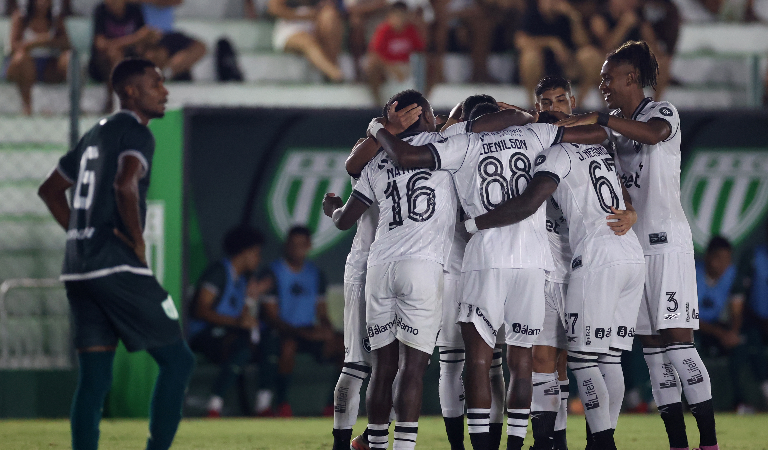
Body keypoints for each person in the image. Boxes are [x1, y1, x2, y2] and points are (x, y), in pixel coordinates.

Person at [368, 94, 606, 450]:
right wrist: (544, 119)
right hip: (533, 261)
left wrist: (379, 128)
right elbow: (599, 133)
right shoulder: (533, 135)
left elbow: (407, 157)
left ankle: (480, 447)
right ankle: (513, 445)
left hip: (485, 258)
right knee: (521, 361)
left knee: (478, 360)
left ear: (470, 120)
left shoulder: (459, 142)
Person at [557, 40, 720, 450]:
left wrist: (603, 120)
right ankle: (678, 444)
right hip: (631, 248)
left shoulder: (661, 112)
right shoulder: (612, 121)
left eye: (608, 78)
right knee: (653, 354)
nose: (604, 85)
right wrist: (547, 123)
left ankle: (710, 442)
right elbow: (589, 131)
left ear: (631, 77)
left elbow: (653, 135)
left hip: (668, 245)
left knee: (678, 343)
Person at [37, 58, 194, 450]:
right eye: (155, 84)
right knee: (178, 361)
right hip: (115, 264)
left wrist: (79, 233)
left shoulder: (93, 134)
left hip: (77, 269)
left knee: (94, 378)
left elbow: (50, 190)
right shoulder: (137, 134)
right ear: (130, 92)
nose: (165, 91)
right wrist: (137, 242)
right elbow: (126, 185)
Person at [330, 101, 421, 450]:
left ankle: (369, 437)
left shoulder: (428, 154)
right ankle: (345, 444)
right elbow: (352, 163)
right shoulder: (373, 156)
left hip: (402, 267)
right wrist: (384, 129)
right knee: (358, 362)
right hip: (367, 265)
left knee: (405, 363)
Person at [256, 225, 343, 417]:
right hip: (282, 332)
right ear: (286, 246)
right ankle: (282, 403)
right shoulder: (272, 272)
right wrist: (301, 333)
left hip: (307, 332)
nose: (297, 249)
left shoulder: (315, 274)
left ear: (309, 246)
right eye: (293, 244)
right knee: (288, 346)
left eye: (302, 245)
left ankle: (334, 405)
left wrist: (326, 330)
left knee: (345, 346)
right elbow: (271, 318)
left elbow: (322, 313)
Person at [187, 225, 267, 418]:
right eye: (256, 253)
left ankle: (264, 405)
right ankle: (213, 406)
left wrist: (251, 300)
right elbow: (201, 310)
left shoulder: (241, 280)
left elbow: (240, 316)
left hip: (227, 332)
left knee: (268, 342)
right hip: (203, 334)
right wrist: (238, 323)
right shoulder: (219, 272)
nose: (259, 259)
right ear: (245, 253)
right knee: (241, 346)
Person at [696, 236, 768, 413]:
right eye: (718, 258)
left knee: (743, 344)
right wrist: (720, 333)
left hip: (718, 327)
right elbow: (686, 318)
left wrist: (732, 332)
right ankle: (693, 403)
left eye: (727, 259)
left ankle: (747, 402)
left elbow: (736, 309)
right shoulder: (692, 273)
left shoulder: (732, 274)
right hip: (694, 328)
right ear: (707, 257)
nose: (723, 264)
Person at [514, 0, 603, 105]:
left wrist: (574, 17)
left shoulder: (566, 17)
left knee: (591, 55)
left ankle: (578, 105)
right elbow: (520, 41)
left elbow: (584, 44)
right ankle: (532, 105)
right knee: (530, 57)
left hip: (565, 66)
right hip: (541, 66)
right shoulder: (532, 14)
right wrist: (551, 42)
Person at [89, 0, 161, 112]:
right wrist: (134, 38)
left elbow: (143, 38)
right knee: (114, 55)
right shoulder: (101, 11)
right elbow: (100, 45)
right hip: (102, 66)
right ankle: (116, 99)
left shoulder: (134, 10)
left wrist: (143, 38)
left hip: (130, 57)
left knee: (152, 55)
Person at [4, 0, 70, 115]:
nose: (43, 2)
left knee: (68, 59)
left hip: (49, 65)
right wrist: (36, 42)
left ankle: (72, 106)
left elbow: (66, 43)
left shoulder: (55, 19)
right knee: (22, 59)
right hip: (23, 66)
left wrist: (48, 42)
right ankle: (27, 106)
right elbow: (14, 46)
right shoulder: (21, 18)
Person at [267, 0, 344, 82]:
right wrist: (304, 16)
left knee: (330, 15)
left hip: (315, 23)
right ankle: (335, 74)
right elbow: (274, 9)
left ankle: (331, 68)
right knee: (307, 41)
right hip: (291, 25)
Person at [365, 2, 425, 105]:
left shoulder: (411, 30)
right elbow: (374, 54)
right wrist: (392, 68)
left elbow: (420, 50)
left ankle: (422, 99)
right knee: (372, 68)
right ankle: (377, 103)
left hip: (405, 67)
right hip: (387, 67)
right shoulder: (383, 30)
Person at [135, 0, 207, 81]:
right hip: (146, 34)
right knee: (157, 54)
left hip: (168, 33)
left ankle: (170, 72)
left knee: (199, 47)